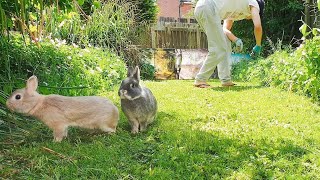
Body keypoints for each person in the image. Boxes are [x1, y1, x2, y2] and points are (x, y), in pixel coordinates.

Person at [193, 0, 265, 88]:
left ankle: (225, 79)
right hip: (208, 7)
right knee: (218, 48)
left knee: (226, 44)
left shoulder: (235, 7)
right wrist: (258, 45)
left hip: (203, 8)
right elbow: (257, 26)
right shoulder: (254, 3)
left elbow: (225, 29)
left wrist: (236, 40)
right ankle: (201, 79)